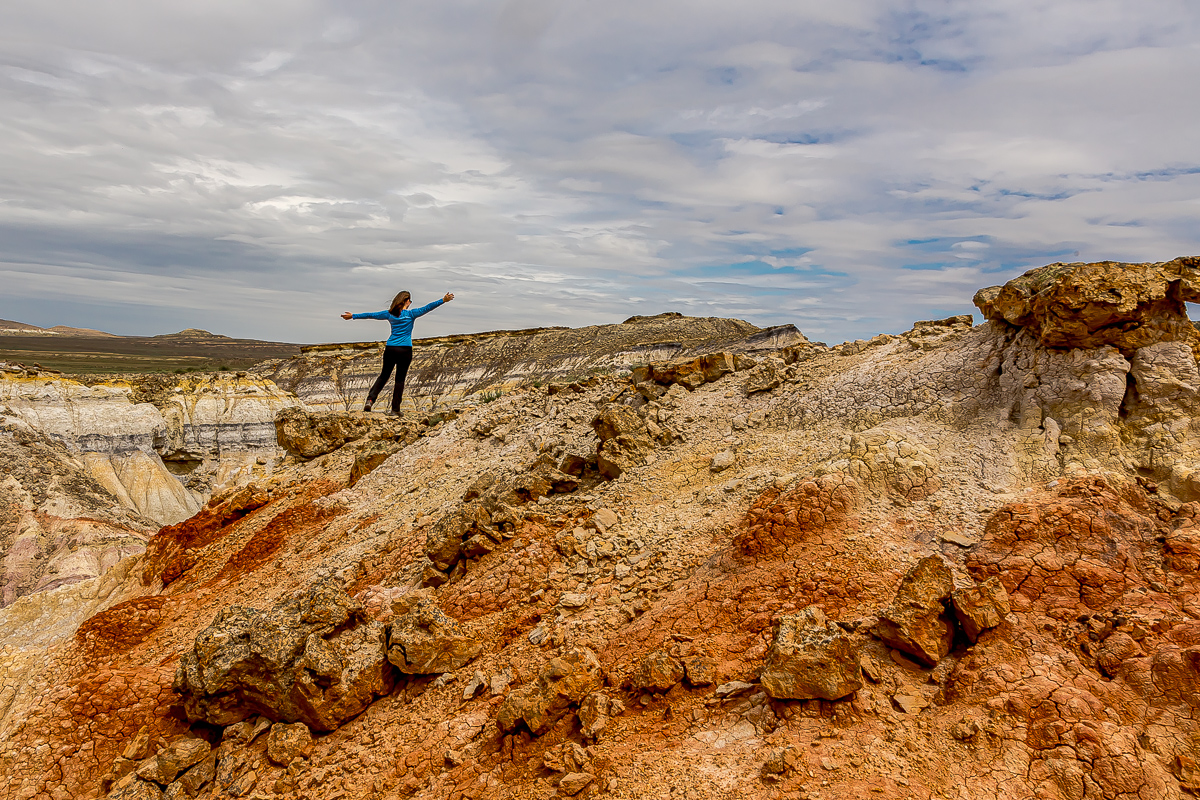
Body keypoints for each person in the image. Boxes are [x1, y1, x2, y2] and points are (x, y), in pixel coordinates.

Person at [341, 291, 454, 414]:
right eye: (410, 301)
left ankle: (370, 400)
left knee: (384, 376)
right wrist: (443, 300)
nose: (410, 303)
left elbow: (371, 315)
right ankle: (395, 410)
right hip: (405, 350)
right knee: (399, 380)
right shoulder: (411, 314)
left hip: (391, 348)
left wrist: (353, 316)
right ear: (406, 301)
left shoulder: (390, 314)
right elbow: (428, 307)